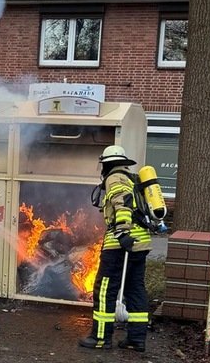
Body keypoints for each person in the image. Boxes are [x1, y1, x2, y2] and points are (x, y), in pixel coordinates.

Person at [79, 145, 152, 352]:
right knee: (135, 289)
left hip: (120, 244)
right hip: (140, 242)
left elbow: (123, 202)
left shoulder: (115, 178)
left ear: (107, 164)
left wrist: (122, 232)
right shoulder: (132, 178)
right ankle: (136, 339)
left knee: (104, 290)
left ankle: (100, 338)